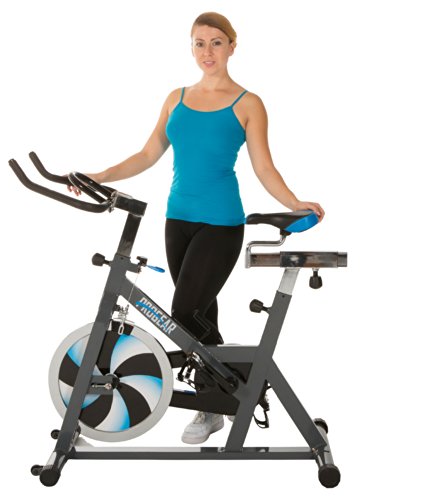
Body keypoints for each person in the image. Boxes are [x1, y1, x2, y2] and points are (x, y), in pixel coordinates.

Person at [69, 12, 325, 445]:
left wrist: (294, 202)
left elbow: (264, 167)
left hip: (221, 223)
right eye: (199, 43)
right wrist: (99, 176)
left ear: (232, 47)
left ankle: (231, 390)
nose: (207, 51)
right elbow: (148, 153)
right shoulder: (176, 98)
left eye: (216, 43)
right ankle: (215, 406)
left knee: (184, 314)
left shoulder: (248, 103)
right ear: (191, 47)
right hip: (177, 221)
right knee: (201, 313)